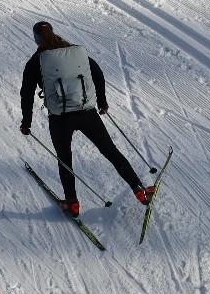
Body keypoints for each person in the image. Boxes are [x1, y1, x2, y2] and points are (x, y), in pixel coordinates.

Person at [20, 21, 152, 218]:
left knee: (65, 159)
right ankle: (139, 189)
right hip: (86, 113)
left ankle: (72, 203)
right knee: (111, 151)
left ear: (36, 38)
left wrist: (26, 122)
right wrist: (102, 101)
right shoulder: (74, 52)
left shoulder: (36, 62)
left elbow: (27, 93)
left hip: (60, 119)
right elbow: (97, 74)